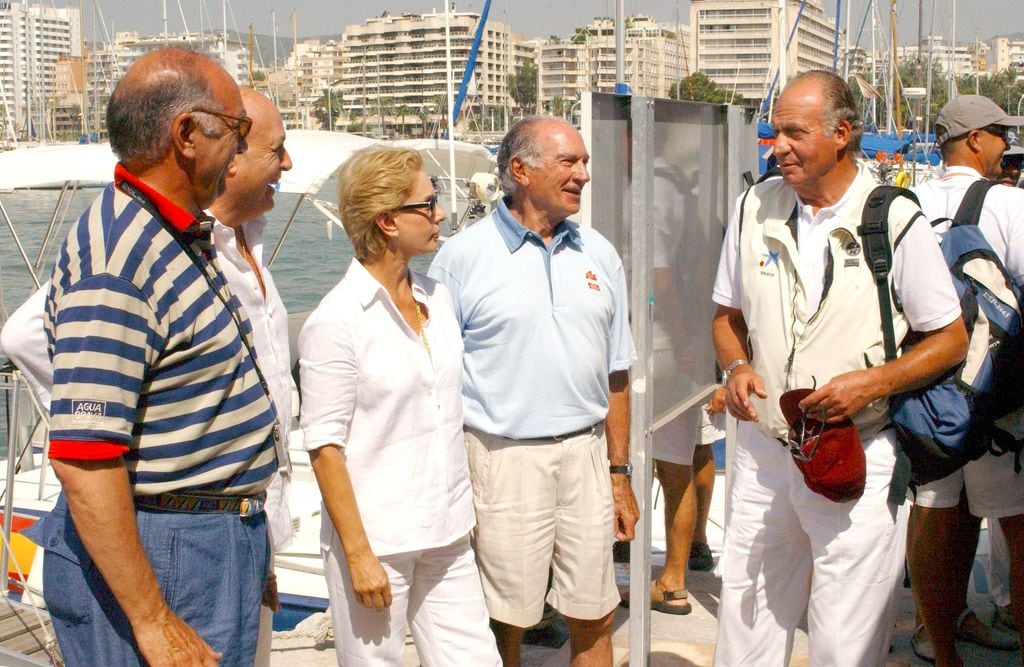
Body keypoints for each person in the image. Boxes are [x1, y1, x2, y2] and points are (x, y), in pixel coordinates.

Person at [4, 84, 297, 667]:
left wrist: (246, 542)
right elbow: (84, 454)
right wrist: (153, 618)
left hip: (209, 543)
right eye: (236, 133)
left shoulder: (177, 238)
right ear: (188, 136)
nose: (247, 154)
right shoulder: (119, 258)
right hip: (168, 550)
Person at [711, 70, 968, 665]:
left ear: (843, 134)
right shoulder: (755, 205)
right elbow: (725, 317)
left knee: (844, 641)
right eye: (775, 133)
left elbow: (950, 338)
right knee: (746, 628)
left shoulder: (893, 218)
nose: (778, 148)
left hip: (856, 452)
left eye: (794, 134)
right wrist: (738, 366)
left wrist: (872, 384)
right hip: (763, 454)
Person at [429, 115, 639, 666]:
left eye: (584, 162)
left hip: (587, 455)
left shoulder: (600, 254)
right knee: (504, 619)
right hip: (503, 459)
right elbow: (438, 380)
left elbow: (618, 373)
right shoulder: (461, 259)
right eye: (569, 162)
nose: (583, 175)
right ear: (520, 170)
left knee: (594, 610)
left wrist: (620, 474)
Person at [298, 146, 500, 666]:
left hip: (449, 529)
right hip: (378, 541)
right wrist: (359, 555)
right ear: (387, 221)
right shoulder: (337, 321)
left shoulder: (439, 298)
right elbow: (324, 448)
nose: (441, 216)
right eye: (428, 205)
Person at [909, 94, 1024, 666]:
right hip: (994, 392)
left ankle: (938, 641)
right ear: (975, 138)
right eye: (1000, 133)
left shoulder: (910, 199)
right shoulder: (1006, 203)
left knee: (934, 511)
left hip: (927, 392)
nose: (1006, 145)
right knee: (1015, 519)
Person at [650, 389, 724, 614]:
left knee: (676, 466)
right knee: (680, 462)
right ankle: (692, 552)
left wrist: (719, 380)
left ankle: (678, 573)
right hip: (679, 377)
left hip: (682, 378)